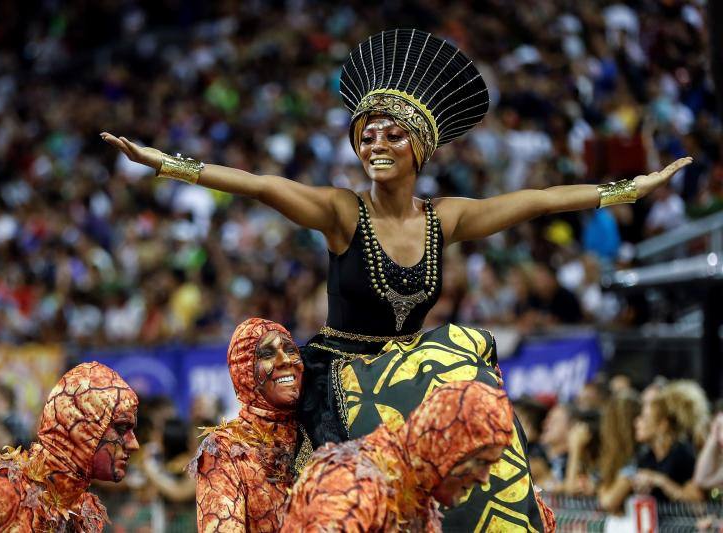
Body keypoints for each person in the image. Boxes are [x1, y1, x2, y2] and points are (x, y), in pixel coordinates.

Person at [102, 28, 690, 530]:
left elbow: (536, 200)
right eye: (366, 135)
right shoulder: (341, 212)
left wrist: (631, 188)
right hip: (341, 380)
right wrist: (165, 163)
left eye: (391, 133)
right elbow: (260, 184)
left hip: (411, 374)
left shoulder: (445, 219)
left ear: (420, 148)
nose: (375, 143)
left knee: (467, 366)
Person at [281, 380, 555, 531]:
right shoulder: (353, 482)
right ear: (445, 446)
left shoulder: (417, 497)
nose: (484, 478)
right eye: (480, 461)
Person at [0, 362, 139, 532]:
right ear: (81, 429)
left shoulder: (84, 511)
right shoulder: (4, 491)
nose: (134, 444)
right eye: (121, 428)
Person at [188, 318, 304, 532]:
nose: (285, 360)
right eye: (267, 354)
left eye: (290, 350)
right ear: (244, 370)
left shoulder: (319, 431)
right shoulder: (225, 450)